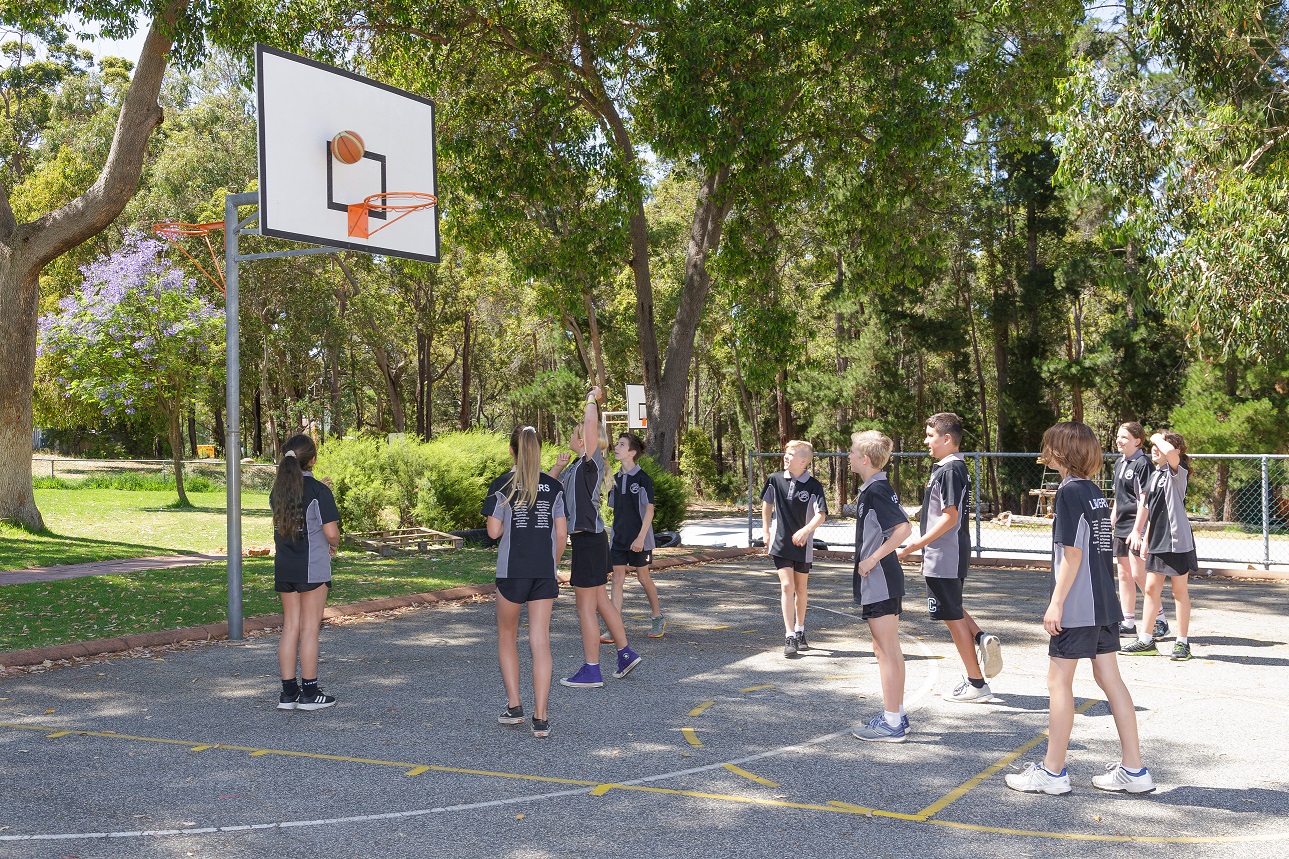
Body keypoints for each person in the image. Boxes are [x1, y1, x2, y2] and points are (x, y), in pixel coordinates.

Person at [1005, 421, 1154, 795]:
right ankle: (1134, 770)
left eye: (1048, 445)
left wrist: (1056, 604)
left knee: (1058, 682)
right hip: (1104, 602)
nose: (1045, 450)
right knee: (1110, 680)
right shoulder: (1093, 492)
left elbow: (1072, 554)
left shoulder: (1069, 492)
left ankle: (1052, 771)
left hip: (1079, 604)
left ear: (1060, 451)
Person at [897, 412, 1002, 701]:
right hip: (945, 554)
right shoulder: (947, 468)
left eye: (930, 436)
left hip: (944, 555)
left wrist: (913, 546)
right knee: (951, 607)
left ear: (946, 439)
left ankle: (977, 683)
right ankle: (981, 638)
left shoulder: (950, 470)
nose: (926, 440)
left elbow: (949, 518)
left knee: (951, 616)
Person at [549, 387, 642, 688]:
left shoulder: (592, 463)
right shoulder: (575, 468)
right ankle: (625, 653)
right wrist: (558, 466)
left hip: (589, 541)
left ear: (585, 440)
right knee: (601, 601)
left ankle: (592, 669)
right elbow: (547, 489)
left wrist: (591, 398)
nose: (575, 436)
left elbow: (591, 425)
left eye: (578, 432)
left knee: (585, 608)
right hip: (592, 541)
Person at [483, 426, 568, 738]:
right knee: (540, 641)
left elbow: (493, 532)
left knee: (507, 636)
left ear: (511, 450)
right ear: (538, 450)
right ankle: (541, 718)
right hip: (543, 572)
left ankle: (515, 706)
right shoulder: (553, 486)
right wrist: (553, 564)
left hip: (512, 572)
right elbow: (561, 534)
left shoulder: (502, 484)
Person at [847, 431, 914, 742]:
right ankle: (896, 714)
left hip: (881, 580)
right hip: (881, 581)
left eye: (851, 451)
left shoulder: (877, 492)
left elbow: (903, 528)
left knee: (885, 651)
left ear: (865, 459)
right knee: (888, 649)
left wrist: (872, 559)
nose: (847, 456)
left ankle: (892, 724)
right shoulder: (874, 489)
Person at [270, 434, 340, 711]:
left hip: (285, 565)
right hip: (312, 567)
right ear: (312, 460)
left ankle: (288, 695)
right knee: (310, 629)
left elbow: (299, 508)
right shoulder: (320, 492)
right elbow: (331, 533)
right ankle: (310, 694)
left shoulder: (278, 491)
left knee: (291, 628)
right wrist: (333, 544)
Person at [1122, 431, 1196, 660]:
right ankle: (1146, 640)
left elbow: (1171, 453)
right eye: (1153, 445)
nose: (1154, 448)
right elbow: (1153, 511)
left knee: (1178, 590)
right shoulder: (1155, 475)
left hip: (1177, 541)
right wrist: (1145, 538)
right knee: (1151, 589)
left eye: (1159, 445)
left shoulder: (1178, 472)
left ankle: (1182, 643)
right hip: (1158, 540)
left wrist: (1156, 437)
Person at [760, 439, 828, 657]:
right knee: (787, 586)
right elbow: (766, 505)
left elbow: (821, 514)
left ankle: (800, 630)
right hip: (781, 543)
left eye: (790, 454)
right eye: (785, 453)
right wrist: (766, 531)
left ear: (804, 461)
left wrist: (806, 530)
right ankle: (789, 636)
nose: (785, 457)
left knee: (801, 589)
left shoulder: (814, 486)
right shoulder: (775, 479)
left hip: (803, 545)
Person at [1110, 422, 1165, 638]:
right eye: (1118, 436)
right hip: (1122, 525)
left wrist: (1137, 531)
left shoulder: (1143, 464)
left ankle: (1160, 620)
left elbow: (1145, 499)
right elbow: (1118, 498)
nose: (1119, 440)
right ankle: (1128, 621)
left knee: (1140, 575)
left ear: (1137, 441)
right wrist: (1111, 521)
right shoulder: (1119, 463)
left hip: (1137, 526)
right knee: (1124, 575)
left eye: (1124, 437)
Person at [608, 432, 665, 638]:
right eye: (617, 444)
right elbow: (615, 509)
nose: (616, 447)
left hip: (640, 538)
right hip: (619, 538)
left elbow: (649, 510)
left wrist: (640, 538)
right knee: (617, 579)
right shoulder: (614, 478)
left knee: (643, 577)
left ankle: (657, 617)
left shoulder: (643, 479)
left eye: (621, 445)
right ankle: (615, 626)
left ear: (632, 452)